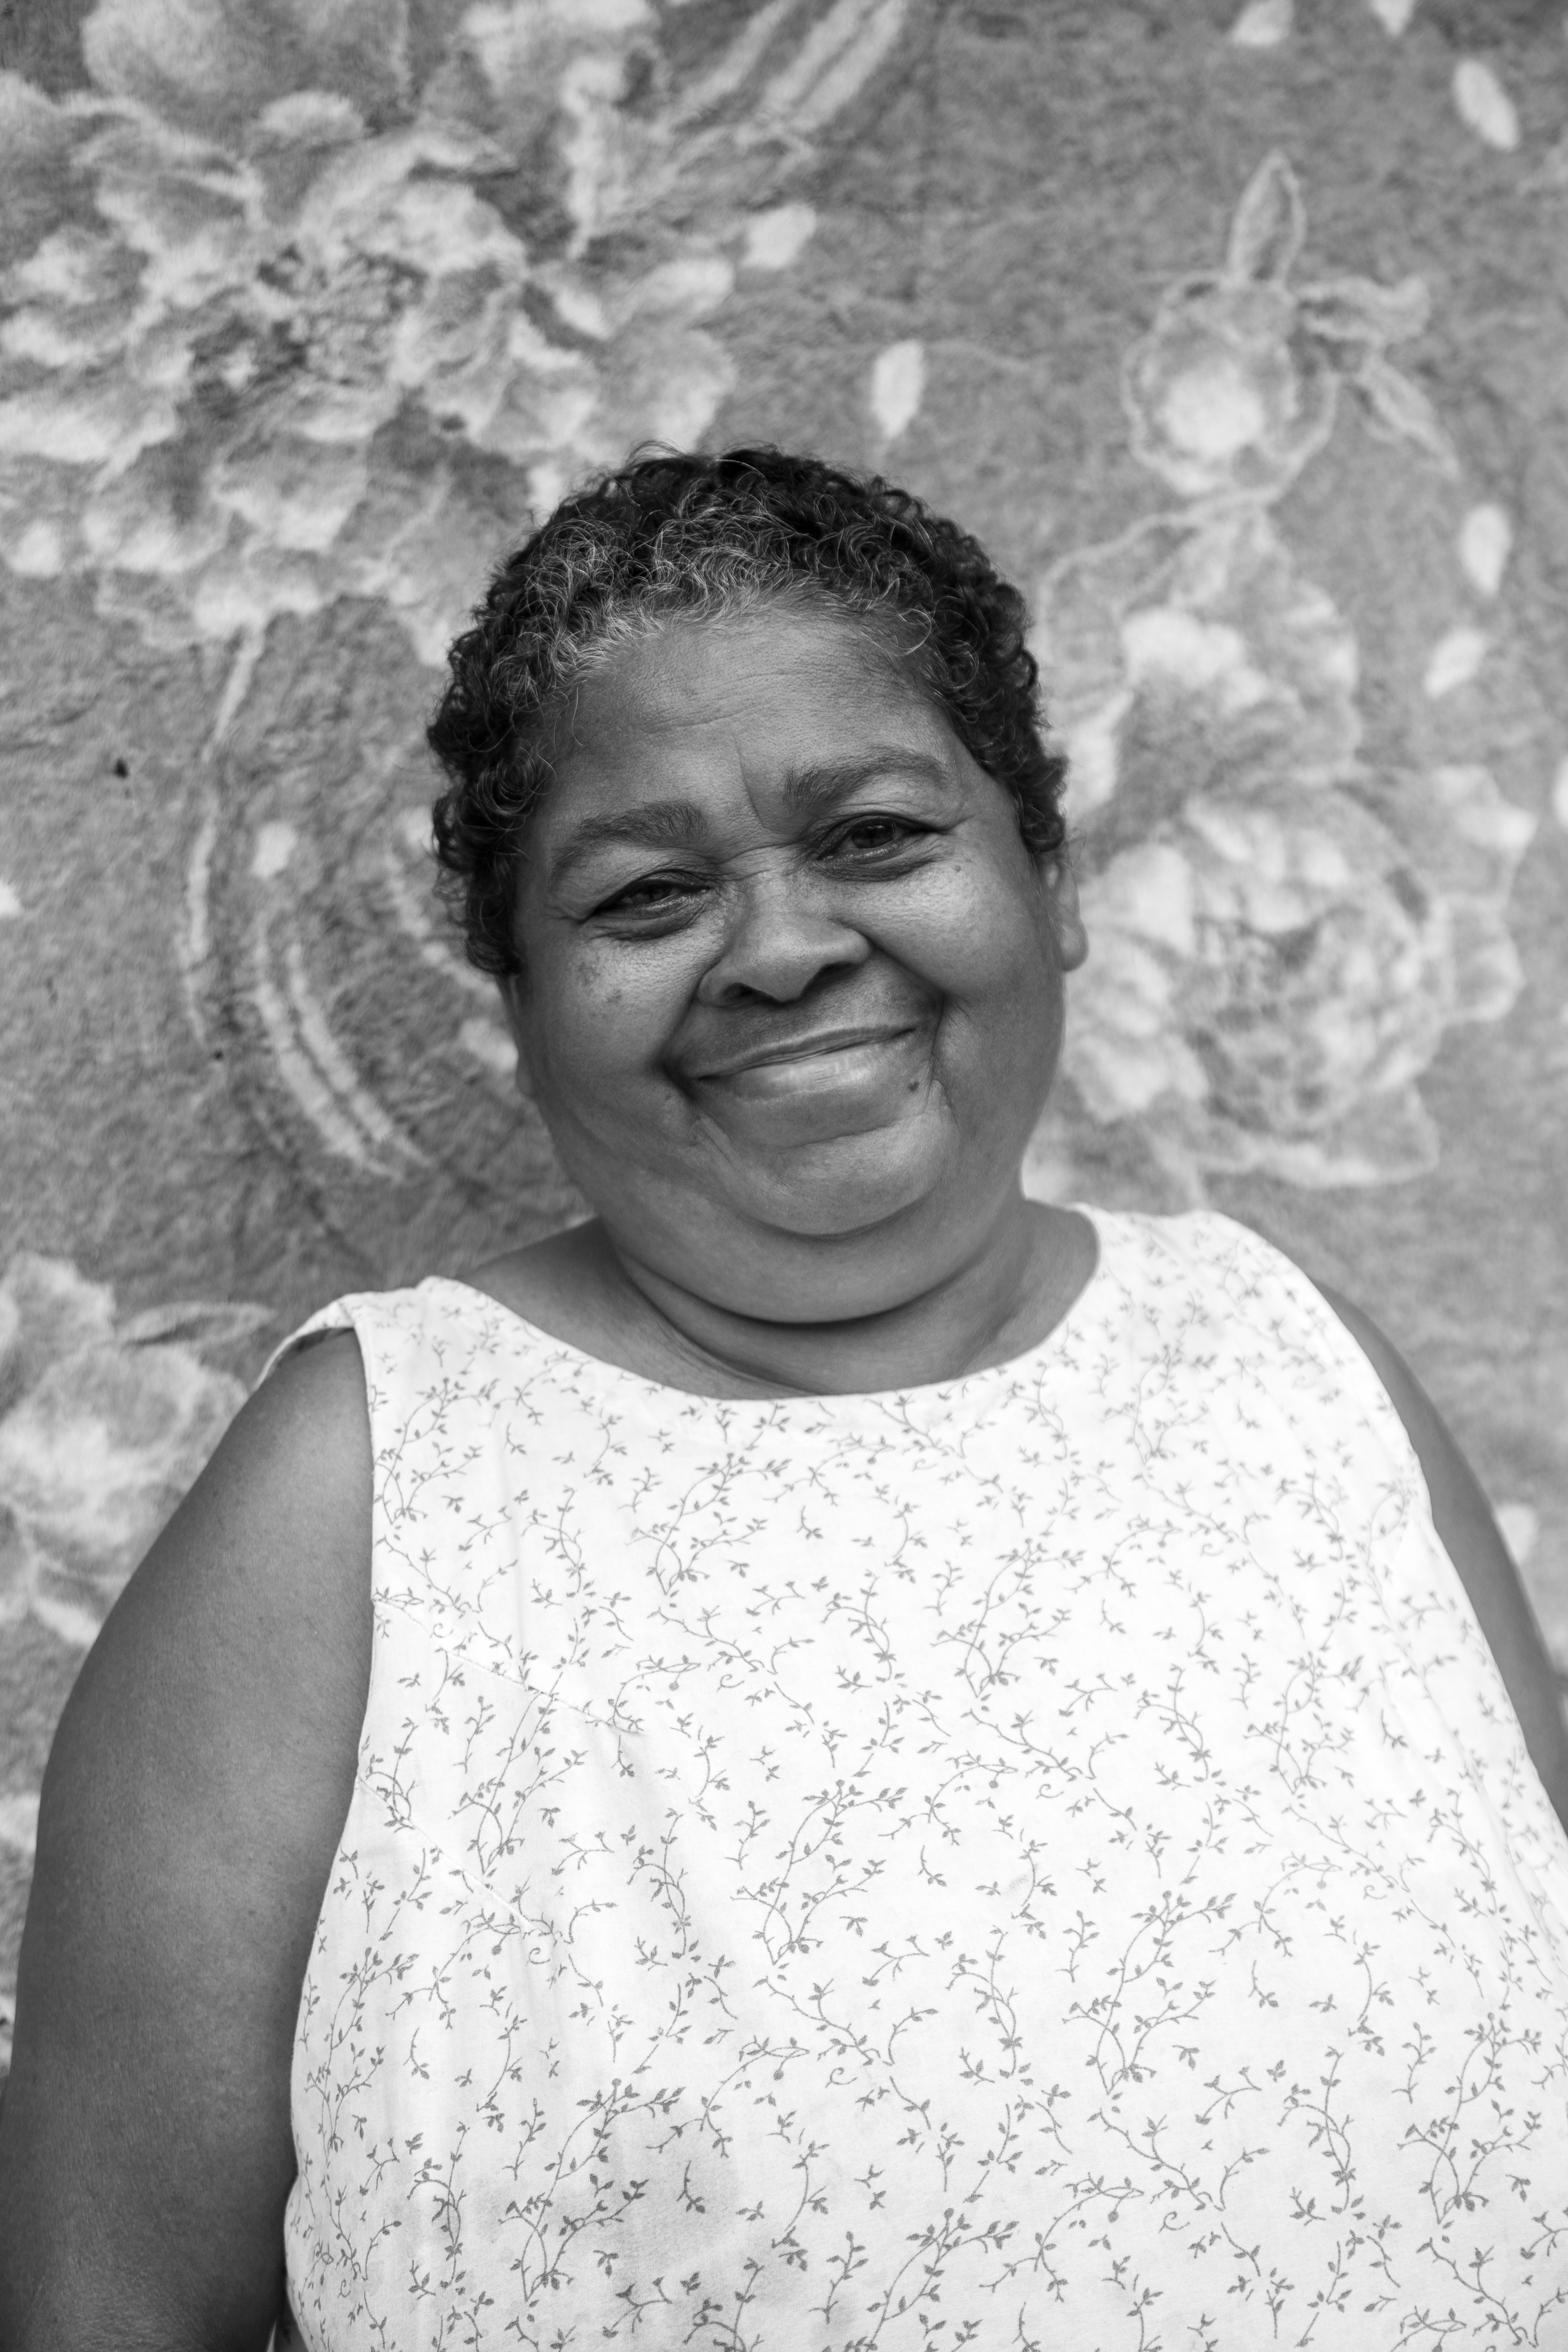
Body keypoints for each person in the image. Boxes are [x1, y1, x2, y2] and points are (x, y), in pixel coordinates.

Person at [2, 447, 1566, 2352]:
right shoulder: (367, 1488)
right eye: (648, 893)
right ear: (522, 999)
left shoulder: (1299, 1364)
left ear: (1050, 877)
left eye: (879, 835)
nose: (782, 948)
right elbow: (107, 2311)